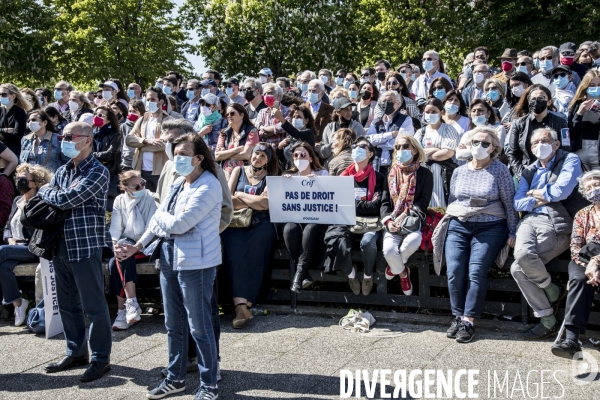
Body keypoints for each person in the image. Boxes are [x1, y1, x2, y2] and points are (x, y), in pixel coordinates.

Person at [117, 134, 222, 399]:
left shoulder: (210, 185)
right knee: (173, 324)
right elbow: (157, 224)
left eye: (184, 154)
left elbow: (179, 224)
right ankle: (175, 378)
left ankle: (209, 384)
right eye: (176, 153)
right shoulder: (177, 183)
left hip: (196, 263)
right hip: (168, 258)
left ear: (199, 158)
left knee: (199, 327)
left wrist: (162, 217)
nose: (178, 159)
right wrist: (136, 246)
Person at [40, 122, 111, 382]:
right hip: (59, 245)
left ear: (88, 140)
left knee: (93, 306)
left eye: (70, 136)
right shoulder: (62, 170)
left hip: (84, 246)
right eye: (62, 136)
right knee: (68, 304)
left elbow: (66, 199)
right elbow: (57, 197)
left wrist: (46, 190)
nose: (64, 140)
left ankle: (101, 359)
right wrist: (53, 191)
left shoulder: (98, 170)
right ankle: (76, 352)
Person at [438, 126, 517, 343]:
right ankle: (457, 316)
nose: (479, 147)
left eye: (485, 144)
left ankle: (469, 320)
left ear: (493, 148)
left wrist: (513, 230)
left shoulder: (500, 170)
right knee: (454, 270)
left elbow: (509, 204)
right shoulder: (459, 171)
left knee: (476, 271)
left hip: (490, 226)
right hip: (460, 224)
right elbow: (453, 200)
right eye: (476, 142)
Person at [512, 127, 584, 340]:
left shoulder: (569, 160)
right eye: (534, 143)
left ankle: (546, 319)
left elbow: (562, 191)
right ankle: (552, 292)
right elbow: (518, 201)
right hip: (530, 219)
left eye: (544, 140)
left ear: (556, 144)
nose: (539, 146)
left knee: (519, 266)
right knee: (522, 258)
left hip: (557, 219)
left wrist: (533, 194)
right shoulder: (529, 169)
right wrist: (540, 197)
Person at [222, 144, 278, 328]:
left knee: (256, 251)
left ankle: (247, 304)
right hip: (236, 222)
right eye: (256, 154)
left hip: (260, 222)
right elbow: (228, 200)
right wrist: (252, 200)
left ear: (268, 160)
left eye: (263, 156)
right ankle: (240, 306)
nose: (258, 158)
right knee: (235, 254)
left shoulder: (270, 178)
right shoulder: (238, 170)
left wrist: (241, 195)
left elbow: (265, 205)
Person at [323, 138, 384, 295]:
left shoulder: (379, 177)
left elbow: (375, 208)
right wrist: (363, 205)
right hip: (347, 221)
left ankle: (368, 275)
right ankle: (351, 275)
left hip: (370, 223)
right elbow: (338, 204)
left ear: (370, 154)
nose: (357, 149)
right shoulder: (343, 177)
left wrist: (350, 202)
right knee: (337, 240)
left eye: (362, 147)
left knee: (367, 242)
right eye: (355, 146)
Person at [553, 171, 600, 358]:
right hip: (584, 259)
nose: (593, 189)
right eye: (588, 188)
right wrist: (588, 265)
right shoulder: (583, 214)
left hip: (594, 260)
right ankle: (571, 340)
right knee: (579, 280)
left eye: (596, 184)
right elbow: (576, 246)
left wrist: (596, 263)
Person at [0, 164, 52, 326]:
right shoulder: (17, 200)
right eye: (17, 178)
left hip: (33, 247)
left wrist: (25, 210)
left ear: (35, 182)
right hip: (14, 247)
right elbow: (8, 226)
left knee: (1, 252)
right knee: (4, 266)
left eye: (24, 179)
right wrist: (10, 240)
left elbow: (38, 229)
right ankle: (18, 303)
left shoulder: (41, 201)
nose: (19, 182)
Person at [381, 135, 433, 295]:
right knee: (389, 251)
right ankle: (403, 273)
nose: (400, 150)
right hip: (392, 222)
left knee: (412, 241)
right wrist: (389, 221)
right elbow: (384, 202)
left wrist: (404, 215)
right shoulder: (390, 173)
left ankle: (394, 267)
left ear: (414, 150)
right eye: (397, 147)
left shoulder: (425, 174)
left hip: (412, 221)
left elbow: (423, 202)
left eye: (405, 146)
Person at [108, 171, 156, 331]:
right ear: (125, 188)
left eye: (143, 183)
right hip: (128, 243)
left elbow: (151, 228)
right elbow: (115, 227)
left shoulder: (150, 198)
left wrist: (136, 247)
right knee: (115, 260)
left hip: (147, 245)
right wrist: (115, 244)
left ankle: (126, 307)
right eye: (137, 186)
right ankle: (128, 307)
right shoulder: (120, 200)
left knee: (119, 260)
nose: (142, 187)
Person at [283, 142, 329, 292]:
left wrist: (318, 184)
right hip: (295, 218)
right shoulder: (288, 175)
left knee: (310, 229)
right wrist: (284, 184)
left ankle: (298, 275)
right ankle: (303, 273)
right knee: (289, 229)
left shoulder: (322, 174)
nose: (299, 158)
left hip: (315, 219)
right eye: (296, 155)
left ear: (310, 158)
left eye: (303, 155)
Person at [506, 84, 568, 178]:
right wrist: (522, 174)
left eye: (541, 98)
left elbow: (565, 149)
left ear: (549, 101)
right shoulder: (518, 124)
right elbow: (512, 152)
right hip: (525, 170)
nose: (536, 101)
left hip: (553, 171)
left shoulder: (561, 123)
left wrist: (554, 172)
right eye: (533, 98)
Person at [414, 98, 460, 208]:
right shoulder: (421, 132)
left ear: (442, 112)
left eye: (434, 111)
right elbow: (415, 154)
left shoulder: (449, 129)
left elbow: (447, 153)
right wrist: (436, 149)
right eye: (427, 112)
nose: (430, 114)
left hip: (443, 176)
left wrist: (425, 153)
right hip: (423, 175)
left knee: (442, 205)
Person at [125, 87, 172, 192]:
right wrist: (146, 141)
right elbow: (128, 140)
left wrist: (140, 145)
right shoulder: (142, 119)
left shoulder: (168, 120)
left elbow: (163, 145)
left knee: (160, 202)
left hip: (160, 171)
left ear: (161, 101)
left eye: (152, 100)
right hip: (141, 170)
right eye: (147, 99)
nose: (149, 102)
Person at [366, 90, 415, 175]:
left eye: (389, 100)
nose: (386, 103)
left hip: (396, 167)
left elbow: (398, 143)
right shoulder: (376, 122)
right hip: (376, 167)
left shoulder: (406, 120)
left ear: (398, 103)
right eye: (383, 101)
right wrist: (390, 135)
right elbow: (368, 141)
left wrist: (378, 144)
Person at [215, 103, 259, 180]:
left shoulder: (252, 131)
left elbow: (247, 155)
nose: (229, 116)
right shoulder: (223, 133)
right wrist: (237, 149)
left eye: (232, 113)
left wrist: (225, 154)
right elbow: (217, 156)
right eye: (227, 114)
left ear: (242, 115)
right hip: (225, 174)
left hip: (243, 174)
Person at [568, 69, 600, 171]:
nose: (596, 88)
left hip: (597, 149)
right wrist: (579, 114)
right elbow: (571, 132)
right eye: (592, 85)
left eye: (599, 85)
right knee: (581, 182)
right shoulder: (577, 104)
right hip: (580, 148)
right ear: (585, 86)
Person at [92, 106, 122, 211]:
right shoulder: (93, 133)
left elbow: (110, 154)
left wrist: (92, 155)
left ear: (109, 118)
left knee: (109, 209)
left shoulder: (115, 133)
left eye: (100, 115)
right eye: (95, 114)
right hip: (93, 173)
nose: (97, 117)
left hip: (110, 174)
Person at [318, 97, 364, 163]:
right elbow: (322, 153)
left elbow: (362, 149)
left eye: (350, 109)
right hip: (332, 165)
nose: (349, 112)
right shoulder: (329, 128)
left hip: (350, 164)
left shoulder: (357, 127)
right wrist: (331, 146)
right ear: (338, 112)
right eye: (346, 110)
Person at [274, 103, 315, 169]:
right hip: (289, 172)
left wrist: (281, 118)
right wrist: (279, 147)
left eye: (299, 117)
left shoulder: (309, 133)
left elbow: (298, 134)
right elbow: (283, 159)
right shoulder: (290, 137)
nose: (295, 119)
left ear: (306, 121)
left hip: (304, 172)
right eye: (294, 117)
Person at [0, 83, 32, 157]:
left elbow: (17, 135)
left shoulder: (20, 112)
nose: (1, 96)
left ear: (13, 96)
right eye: (0, 94)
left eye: (4, 94)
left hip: (13, 151)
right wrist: (5, 130)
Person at [255, 83, 289, 148]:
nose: (266, 96)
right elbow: (258, 131)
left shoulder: (287, 110)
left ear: (278, 95)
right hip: (265, 152)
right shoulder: (262, 112)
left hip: (280, 150)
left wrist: (263, 128)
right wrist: (275, 130)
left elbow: (284, 127)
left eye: (269, 93)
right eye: (264, 94)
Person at [306, 79, 333, 143]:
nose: (311, 93)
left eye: (314, 91)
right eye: (309, 91)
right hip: (305, 146)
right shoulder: (303, 108)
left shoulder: (330, 110)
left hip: (323, 146)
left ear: (322, 93)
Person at [120, 101, 144, 172]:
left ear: (141, 112)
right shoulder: (124, 126)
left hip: (139, 162)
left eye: (134, 111)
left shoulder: (143, 125)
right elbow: (122, 143)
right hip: (126, 162)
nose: (131, 113)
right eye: (130, 111)